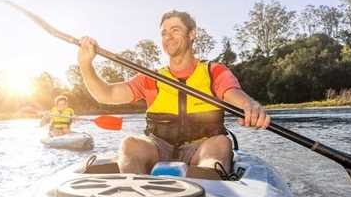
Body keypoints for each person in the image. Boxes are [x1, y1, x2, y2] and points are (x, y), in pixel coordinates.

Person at [77, 10, 270, 177]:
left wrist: (248, 106)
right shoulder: (151, 77)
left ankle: (207, 187)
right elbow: (106, 94)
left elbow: (232, 93)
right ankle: (133, 195)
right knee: (130, 144)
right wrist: (86, 65)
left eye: (175, 30)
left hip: (202, 147)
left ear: (192, 34)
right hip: (158, 147)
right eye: (164, 33)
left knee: (221, 143)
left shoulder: (214, 71)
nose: (168, 36)